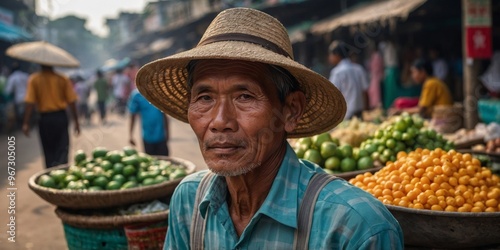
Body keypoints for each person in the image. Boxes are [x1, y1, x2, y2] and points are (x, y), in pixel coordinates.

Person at [135, 8, 403, 249]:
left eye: (245, 97)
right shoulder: (188, 201)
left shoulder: (355, 228)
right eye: (204, 98)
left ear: (290, 111)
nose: (219, 121)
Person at [23, 65, 80, 168]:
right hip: (60, 118)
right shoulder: (62, 78)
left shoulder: (34, 79)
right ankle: (62, 174)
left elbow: (30, 103)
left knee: (48, 150)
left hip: (44, 119)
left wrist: (26, 123)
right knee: (62, 148)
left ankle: (50, 175)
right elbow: (72, 102)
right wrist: (76, 122)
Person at [328, 40, 370, 119]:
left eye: (331, 54)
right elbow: (365, 92)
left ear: (337, 55)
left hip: (346, 114)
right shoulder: (358, 68)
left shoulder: (337, 72)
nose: (329, 57)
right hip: (360, 112)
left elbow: (333, 95)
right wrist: (366, 109)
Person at [128, 89, 169, 156]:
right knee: (150, 160)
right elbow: (133, 116)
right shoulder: (137, 95)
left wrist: (167, 132)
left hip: (161, 135)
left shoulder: (158, 93)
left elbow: (164, 115)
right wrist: (131, 135)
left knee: (164, 159)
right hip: (147, 136)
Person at [5, 62, 29, 128]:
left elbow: (8, 91)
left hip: (18, 99)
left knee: (17, 113)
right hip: (27, 98)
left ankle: (18, 127)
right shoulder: (25, 75)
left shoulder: (12, 77)